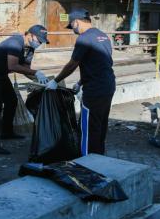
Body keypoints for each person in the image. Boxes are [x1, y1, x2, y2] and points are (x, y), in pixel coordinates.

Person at [46, 9, 116, 155]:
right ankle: (99, 156)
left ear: (76, 22)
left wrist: (55, 81)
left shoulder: (84, 38)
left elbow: (73, 64)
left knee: (88, 127)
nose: (73, 31)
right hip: (108, 85)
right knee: (100, 124)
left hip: (95, 89)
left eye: (72, 26)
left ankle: (87, 162)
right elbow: (97, 64)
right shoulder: (102, 36)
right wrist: (80, 82)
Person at [0, 25, 50, 155]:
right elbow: (13, 65)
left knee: (12, 101)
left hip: (1, 74)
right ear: (30, 35)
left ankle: (6, 132)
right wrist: (36, 72)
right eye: (39, 40)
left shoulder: (30, 49)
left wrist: (39, 80)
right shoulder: (15, 43)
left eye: (41, 41)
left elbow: (26, 68)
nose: (39, 43)